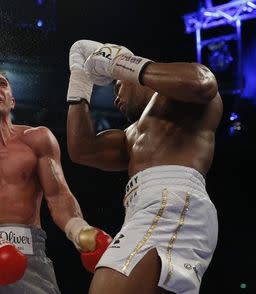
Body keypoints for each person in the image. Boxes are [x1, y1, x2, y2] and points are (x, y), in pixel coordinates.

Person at [0, 66, 112, 294]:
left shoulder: (37, 139)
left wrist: (80, 230)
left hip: (30, 254)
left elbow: (58, 196)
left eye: (2, 84)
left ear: (12, 101)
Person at [66, 40, 222, 293]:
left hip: (171, 201)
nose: (115, 97)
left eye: (118, 85)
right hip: (148, 209)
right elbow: (82, 150)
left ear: (132, 77)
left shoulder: (178, 101)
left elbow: (203, 84)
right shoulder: (130, 135)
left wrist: (119, 63)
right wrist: (80, 78)